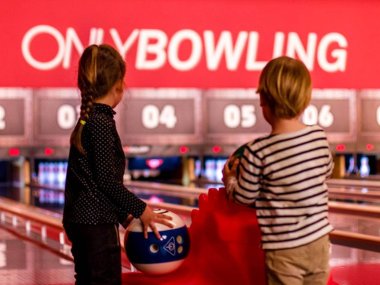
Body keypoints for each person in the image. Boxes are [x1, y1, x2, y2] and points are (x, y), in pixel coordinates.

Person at [63, 44, 173, 285]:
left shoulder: (90, 120)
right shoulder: (100, 123)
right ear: (119, 85)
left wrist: (124, 216)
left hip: (85, 221)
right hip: (95, 224)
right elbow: (105, 181)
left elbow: (91, 179)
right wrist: (141, 209)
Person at [223, 56, 334, 285]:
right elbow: (326, 171)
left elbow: (244, 197)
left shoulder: (258, 151)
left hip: (284, 249)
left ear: (263, 99)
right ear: (306, 99)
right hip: (319, 241)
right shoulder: (319, 137)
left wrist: (230, 179)